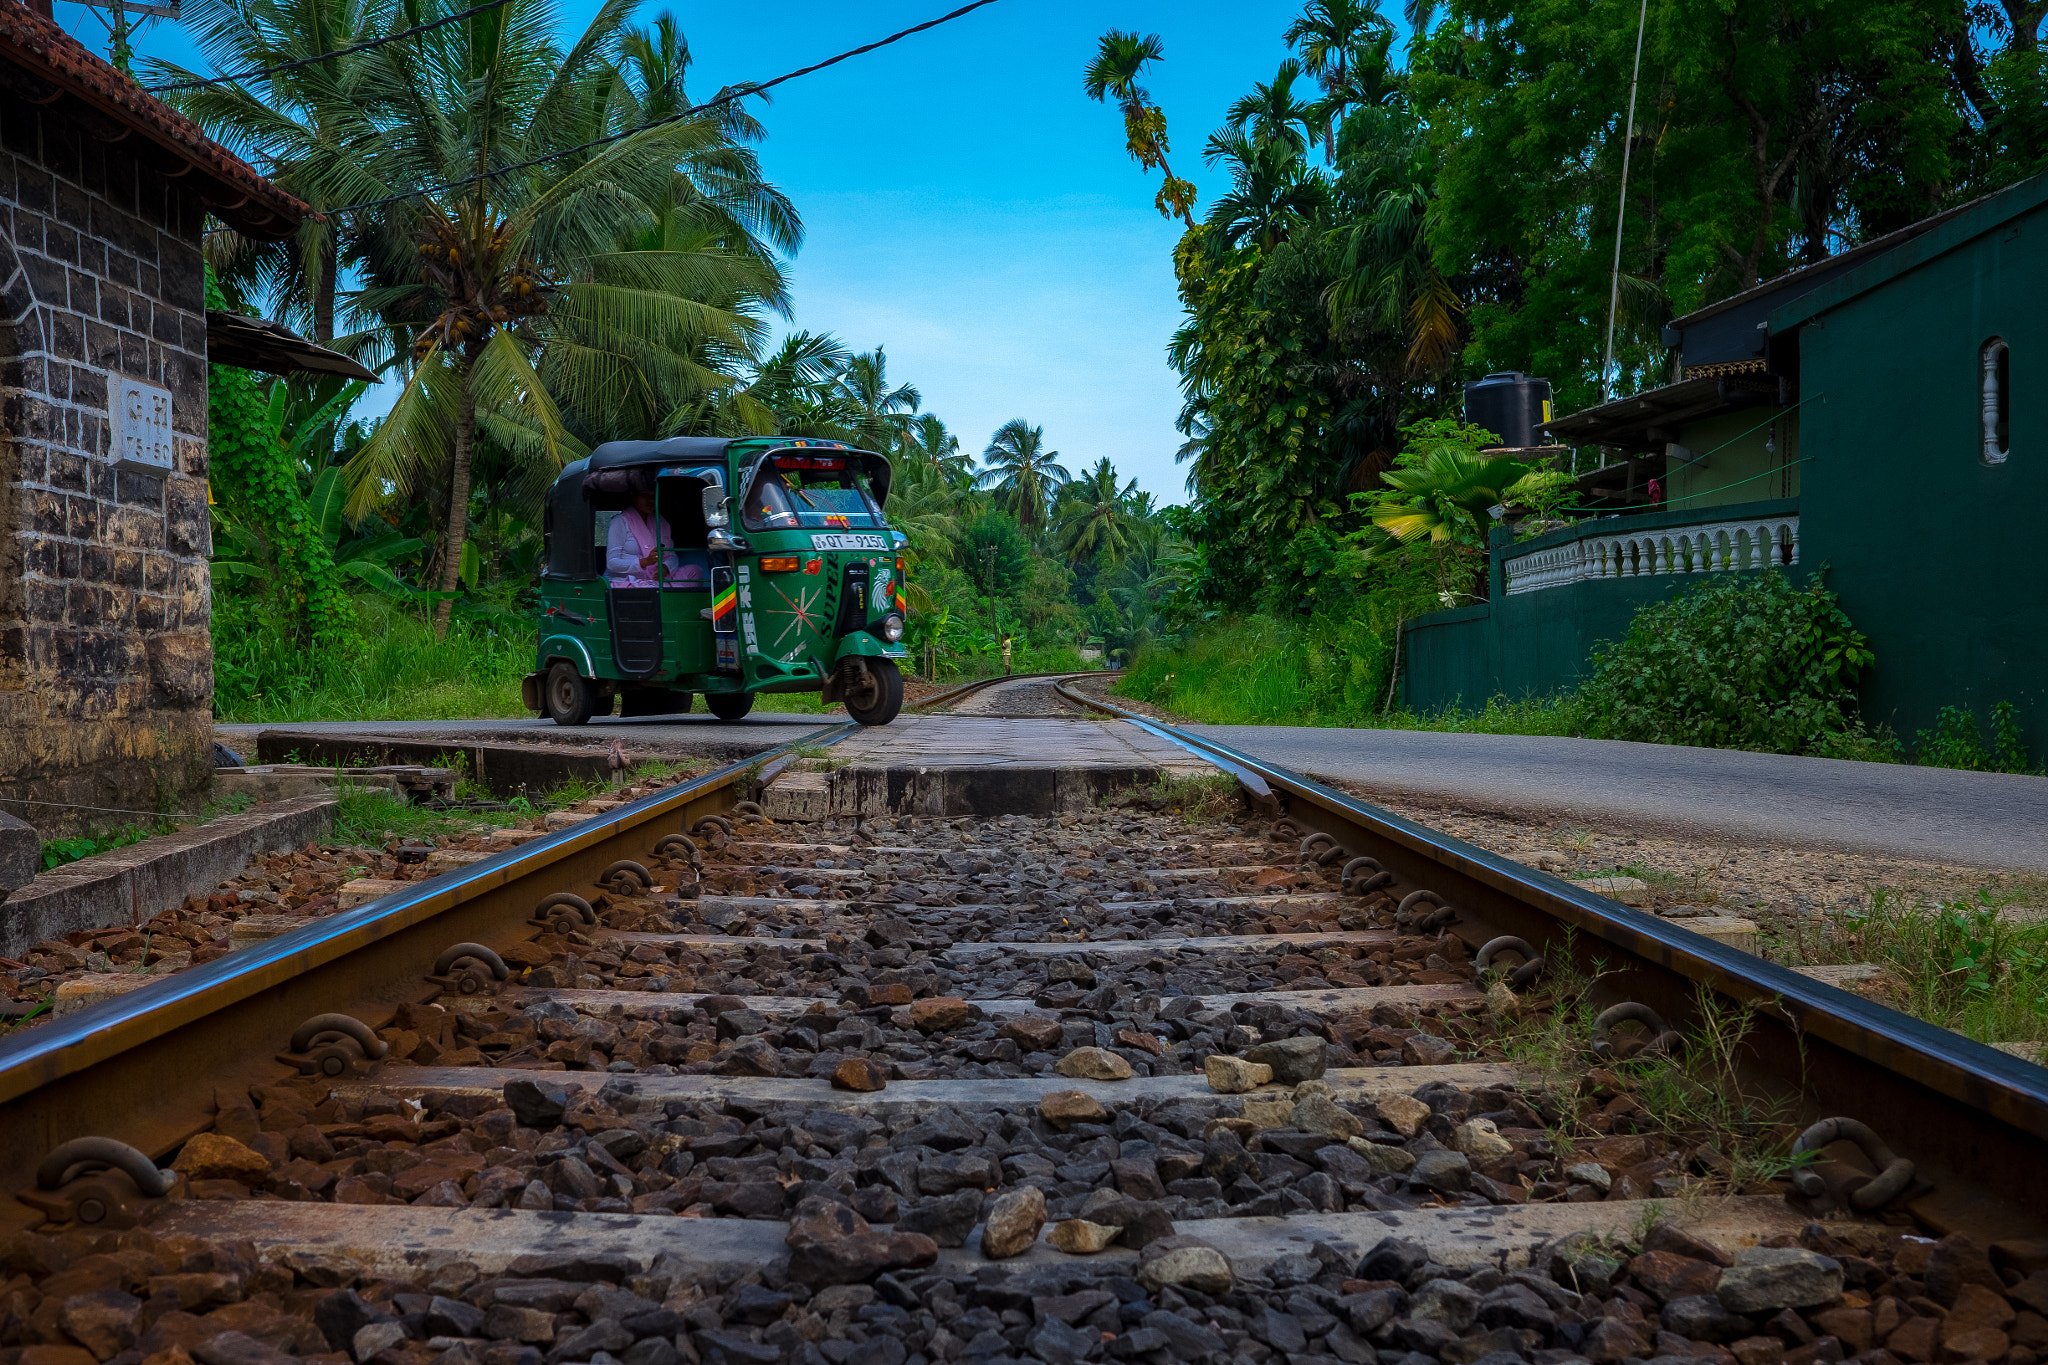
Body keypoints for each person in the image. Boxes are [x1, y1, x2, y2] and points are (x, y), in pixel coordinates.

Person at [606, 488, 705, 588]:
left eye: (653, 497)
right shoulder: (619, 522)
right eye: (645, 495)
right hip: (631, 580)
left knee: (695, 572)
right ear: (634, 496)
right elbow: (612, 563)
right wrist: (644, 562)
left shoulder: (660, 522)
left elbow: (671, 555)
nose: (651, 501)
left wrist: (665, 567)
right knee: (651, 588)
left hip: (656, 577)